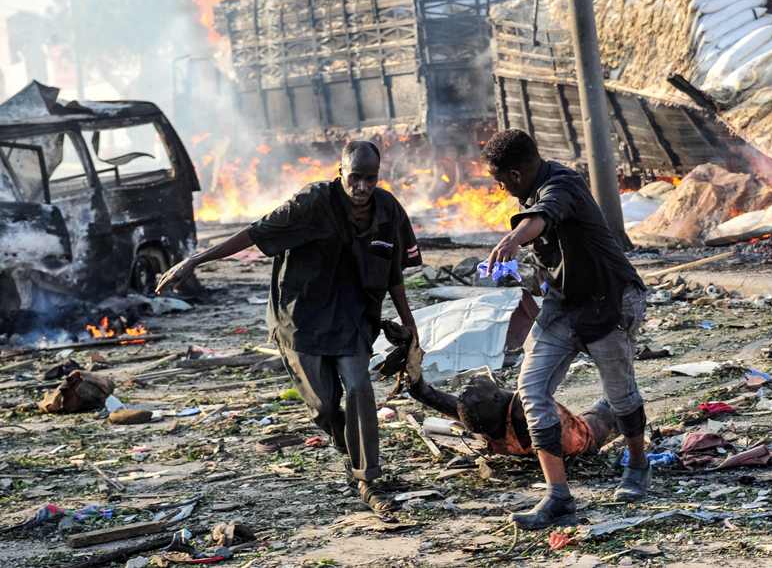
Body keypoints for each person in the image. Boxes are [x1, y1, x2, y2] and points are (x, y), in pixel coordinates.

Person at [156, 141, 420, 513]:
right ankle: (344, 443)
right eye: (355, 178)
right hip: (302, 318)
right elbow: (255, 233)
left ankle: (368, 479)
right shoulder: (311, 203)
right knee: (325, 407)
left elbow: (394, 274)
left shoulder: (388, 210)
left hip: (353, 318)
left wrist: (410, 327)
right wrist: (195, 261)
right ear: (340, 172)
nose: (362, 188)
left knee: (359, 388)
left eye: (370, 179)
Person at [481, 129, 649, 530]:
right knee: (532, 390)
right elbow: (550, 255)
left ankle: (639, 466)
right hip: (563, 306)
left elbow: (543, 218)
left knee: (620, 393)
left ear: (517, 173)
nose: (498, 186)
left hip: (609, 299)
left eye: (499, 178)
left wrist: (512, 240)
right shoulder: (527, 193)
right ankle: (558, 496)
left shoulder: (562, 184)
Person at [395, 327, 618, 457]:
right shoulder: (523, 409)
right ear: (494, 397)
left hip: (551, 444)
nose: (468, 386)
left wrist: (412, 375)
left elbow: (432, 398)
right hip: (582, 439)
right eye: (472, 389)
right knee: (609, 407)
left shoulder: (487, 425)